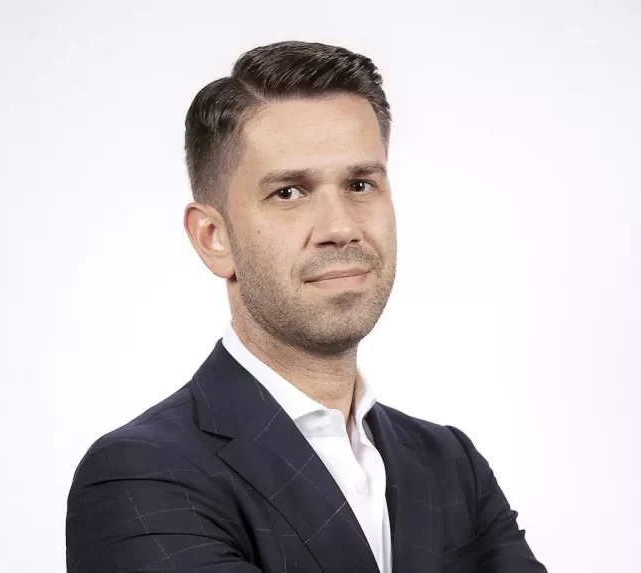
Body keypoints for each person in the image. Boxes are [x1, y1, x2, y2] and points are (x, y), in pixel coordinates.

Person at [66, 40, 547, 573]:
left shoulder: (452, 465)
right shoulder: (142, 475)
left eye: (360, 184)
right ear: (213, 237)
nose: (341, 227)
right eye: (289, 193)